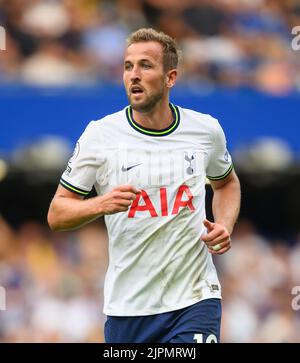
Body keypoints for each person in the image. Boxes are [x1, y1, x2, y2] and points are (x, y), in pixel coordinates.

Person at [48, 28, 241, 343]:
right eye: (127, 66)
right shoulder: (100, 135)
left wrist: (224, 224)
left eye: (145, 66)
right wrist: (101, 204)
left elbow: (227, 183)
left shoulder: (206, 130)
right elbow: (57, 214)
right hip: (128, 309)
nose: (133, 75)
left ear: (171, 77)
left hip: (194, 299)